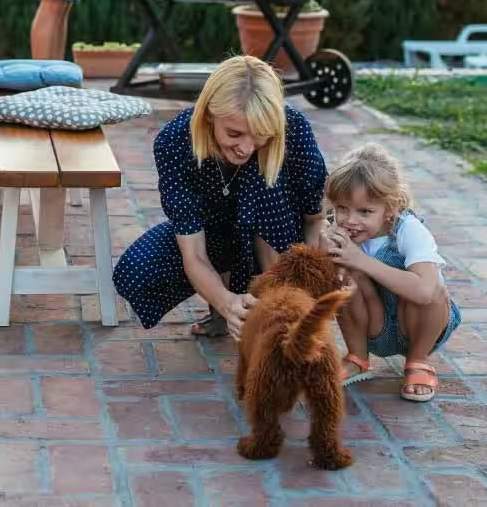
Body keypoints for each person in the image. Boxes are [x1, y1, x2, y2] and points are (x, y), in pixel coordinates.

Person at [113, 55, 329, 341]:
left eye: (260, 135)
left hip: (280, 237)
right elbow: (194, 252)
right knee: (137, 271)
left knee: (265, 184)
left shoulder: (293, 128)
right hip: (217, 235)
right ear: (209, 114)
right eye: (234, 133)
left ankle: (279, 309)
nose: (246, 148)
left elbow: (315, 218)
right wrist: (227, 303)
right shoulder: (175, 142)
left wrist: (304, 283)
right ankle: (227, 308)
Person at [324, 143, 461, 402]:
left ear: (390, 208)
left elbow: (423, 292)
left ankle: (418, 362)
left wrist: (361, 260)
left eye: (365, 211)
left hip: (419, 326)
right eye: (342, 208)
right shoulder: (339, 231)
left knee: (433, 290)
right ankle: (357, 357)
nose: (350, 220)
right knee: (342, 281)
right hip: (374, 325)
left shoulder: (409, 230)